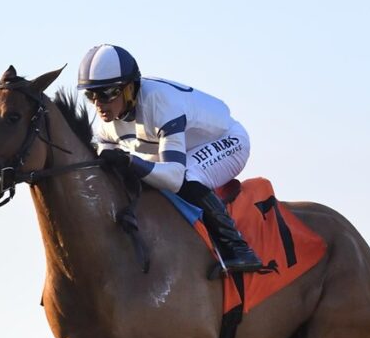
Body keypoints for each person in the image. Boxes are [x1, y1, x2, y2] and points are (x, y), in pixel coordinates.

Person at [77, 44, 262, 273]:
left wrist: (129, 161)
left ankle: (238, 248)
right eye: (91, 95)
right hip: (183, 149)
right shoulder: (107, 125)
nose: (98, 104)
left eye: (106, 94)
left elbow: (173, 177)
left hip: (229, 140)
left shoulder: (160, 103)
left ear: (128, 89)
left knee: (187, 175)